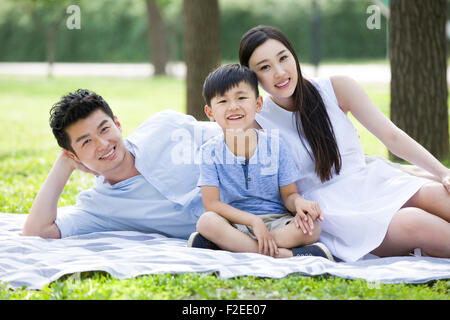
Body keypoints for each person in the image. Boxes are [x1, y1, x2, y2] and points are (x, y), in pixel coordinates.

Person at [237, 25, 450, 262]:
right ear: (251, 77)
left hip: (374, 182)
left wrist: (442, 173)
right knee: (417, 221)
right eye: (265, 67)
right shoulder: (257, 123)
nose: (279, 72)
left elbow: (392, 137)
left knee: (441, 196)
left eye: (283, 58)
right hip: (338, 213)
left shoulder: (336, 88)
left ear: (293, 56)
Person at [22, 89, 221, 239]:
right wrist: (64, 165)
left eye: (104, 129)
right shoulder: (100, 207)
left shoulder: (165, 127)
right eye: (86, 142)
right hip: (229, 233)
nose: (103, 144)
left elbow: (238, 137)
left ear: (117, 124)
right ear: (73, 155)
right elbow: (36, 232)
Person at [187, 64, 334, 260]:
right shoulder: (209, 151)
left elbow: (289, 194)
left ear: (258, 104)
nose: (233, 106)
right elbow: (212, 204)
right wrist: (253, 221)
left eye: (241, 98)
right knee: (206, 222)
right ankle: (284, 255)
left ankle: (230, 247)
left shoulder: (276, 145)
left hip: (277, 222)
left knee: (312, 228)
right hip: (234, 223)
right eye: (222, 101)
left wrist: (300, 203)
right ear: (210, 112)